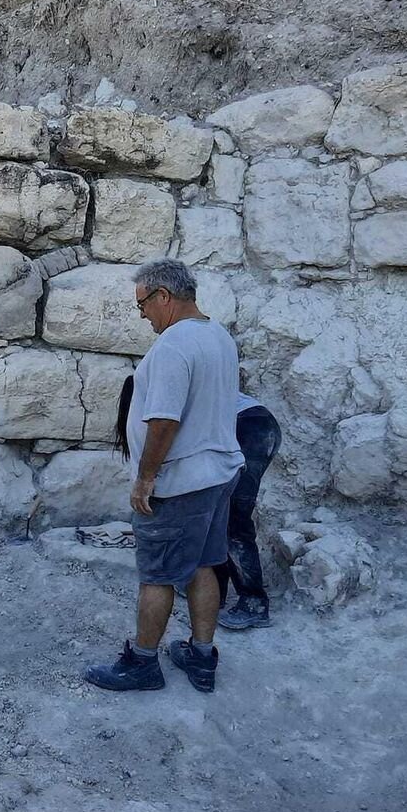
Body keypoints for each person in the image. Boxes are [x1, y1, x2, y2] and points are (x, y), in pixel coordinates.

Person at [84, 258, 242, 694]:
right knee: (204, 564)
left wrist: (145, 478)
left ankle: (143, 663)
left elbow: (164, 420)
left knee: (156, 574)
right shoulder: (219, 336)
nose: (142, 315)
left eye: (142, 305)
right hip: (219, 472)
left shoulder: (173, 346)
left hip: (180, 482)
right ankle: (202, 655)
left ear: (163, 296)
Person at [214, 393, 282, 629]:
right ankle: (214, 589)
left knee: (234, 517)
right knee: (219, 511)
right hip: (253, 424)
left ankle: (254, 603)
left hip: (249, 426)